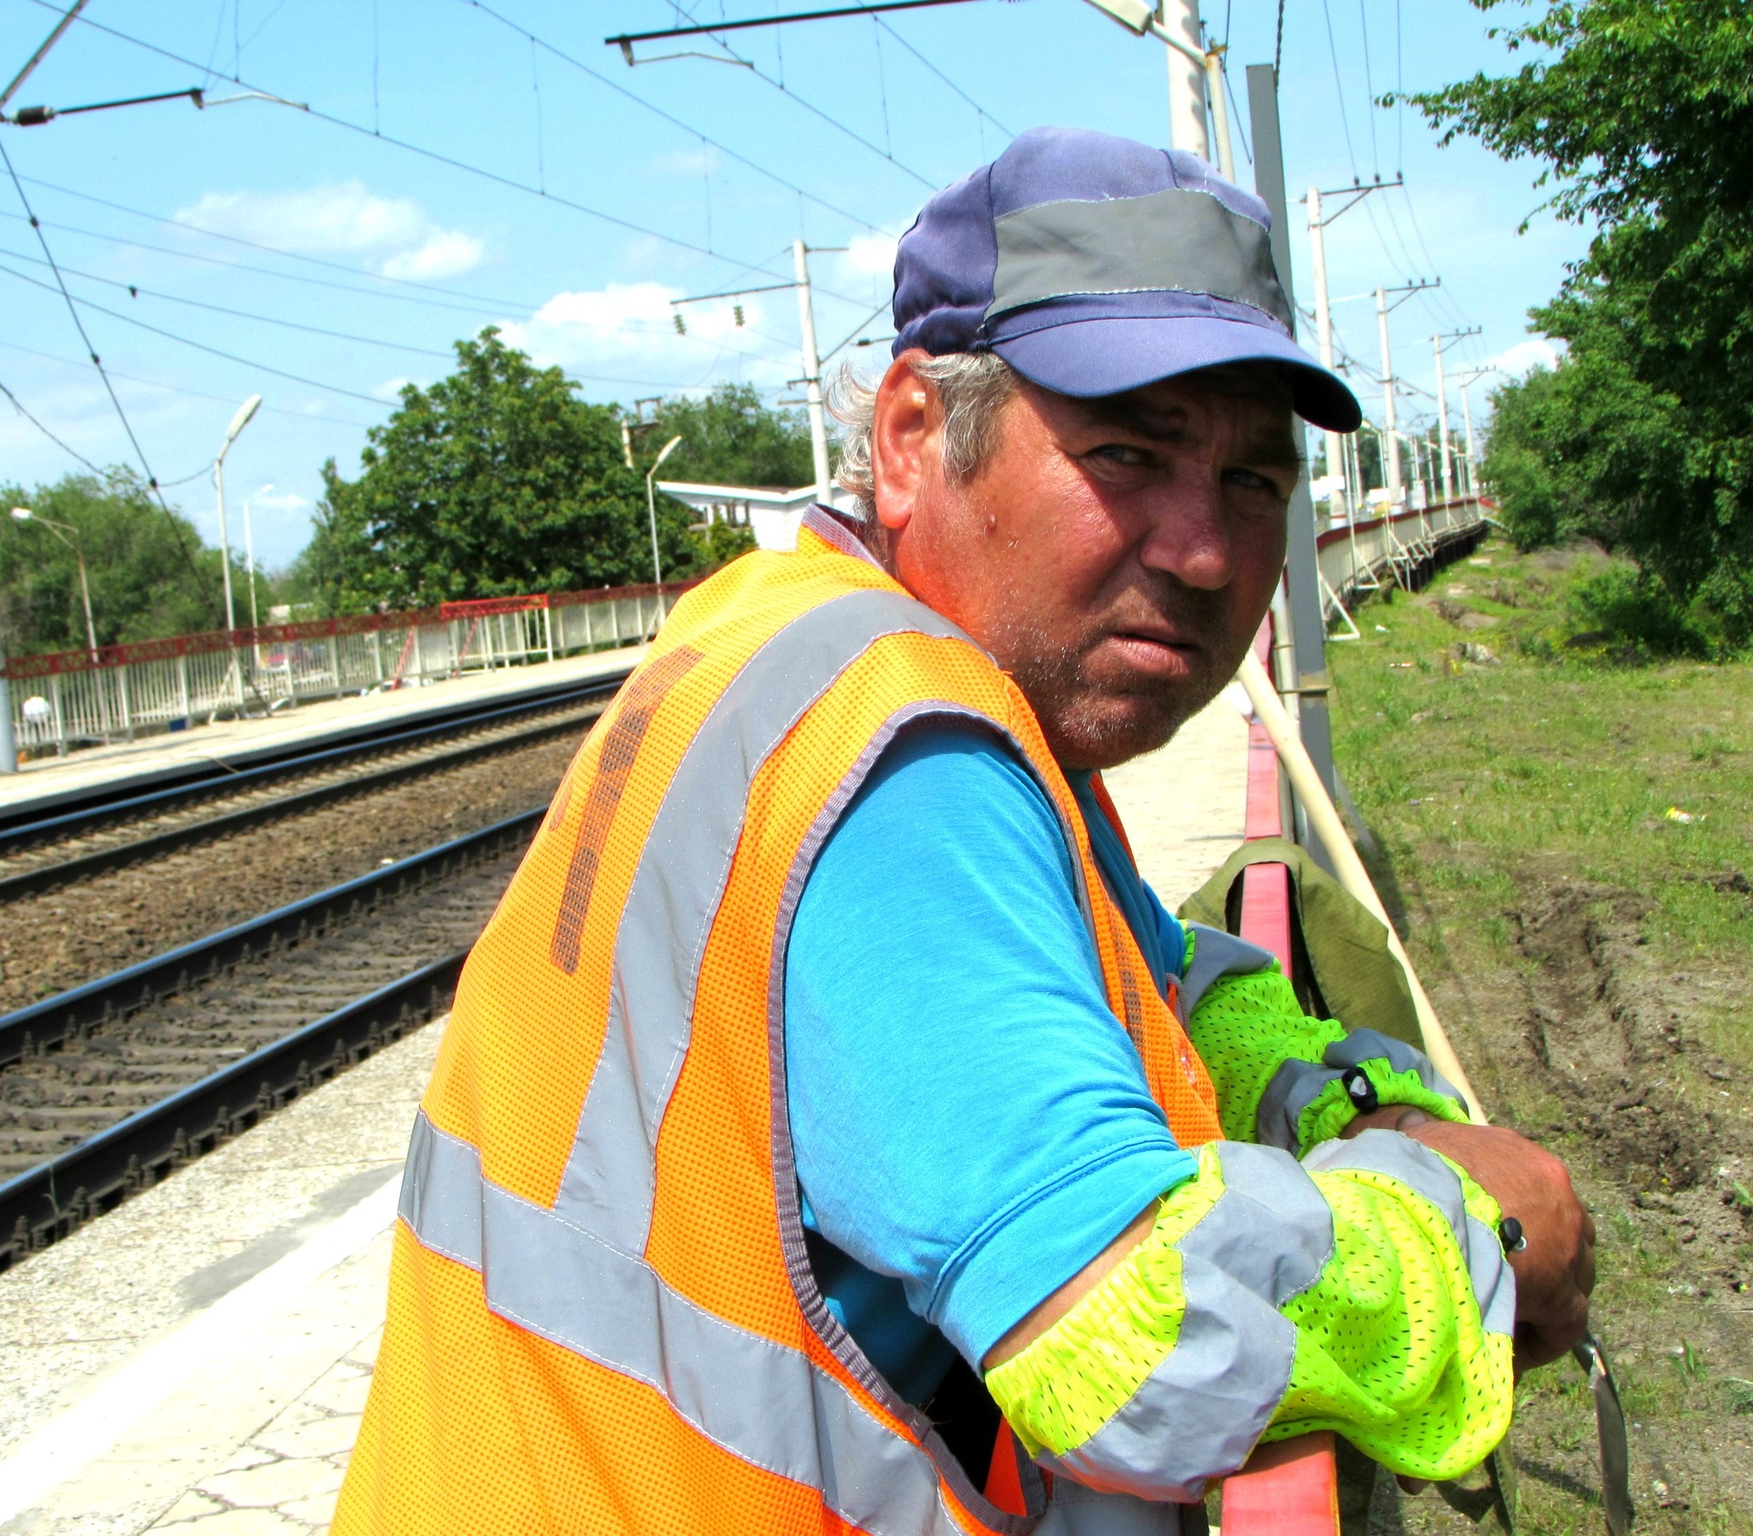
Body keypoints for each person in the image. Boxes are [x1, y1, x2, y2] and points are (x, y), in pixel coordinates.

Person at [330, 127, 1594, 1535]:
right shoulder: (912, 765)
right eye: (1127, 451)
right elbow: (1133, 1340)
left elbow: (1142, 972)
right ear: (915, 441)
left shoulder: (796, 634)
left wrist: (1328, 1095)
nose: (1204, 551)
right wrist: (1466, 1233)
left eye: (1253, 480)